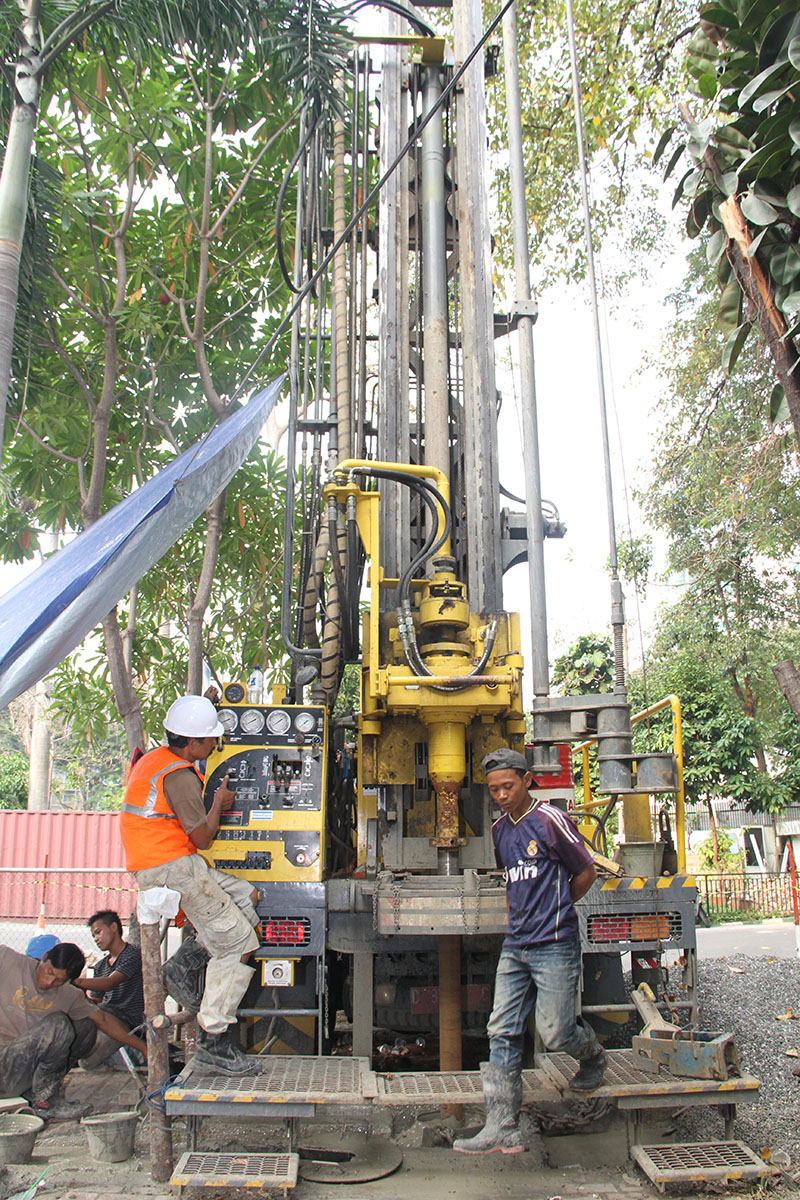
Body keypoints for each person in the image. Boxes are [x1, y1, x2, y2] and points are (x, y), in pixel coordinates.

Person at [454, 747, 606, 1156]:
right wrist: (519, 921)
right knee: (501, 1030)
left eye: (507, 786)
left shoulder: (550, 820)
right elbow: (511, 882)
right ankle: (502, 1126)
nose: (501, 795)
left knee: (556, 1032)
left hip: (554, 944)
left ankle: (593, 1057)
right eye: (494, 790)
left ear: (526, 781)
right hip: (516, 945)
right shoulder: (500, 830)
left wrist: (556, 910)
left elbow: (586, 871)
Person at [119, 694, 261, 1075]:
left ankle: (184, 965)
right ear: (192, 743)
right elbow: (202, 837)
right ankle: (214, 1040)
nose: (215, 744)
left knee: (248, 896)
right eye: (210, 738)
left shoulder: (156, 758)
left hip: (172, 864)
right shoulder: (179, 775)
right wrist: (220, 803)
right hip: (172, 868)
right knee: (239, 944)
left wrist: (208, 703)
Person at [0, 942, 147, 1120]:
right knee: (59, 1024)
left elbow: (104, 1020)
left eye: (59, 981)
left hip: (22, 1071)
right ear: (44, 958)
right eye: (49, 972)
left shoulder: (69, 995)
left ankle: (40, 1098)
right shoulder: (8, 960)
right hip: (4, 1064)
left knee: (85, 1027)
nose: (49, 982)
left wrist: (144, 1048)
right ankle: (45, 1103)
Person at [72, 911, 145, 1069]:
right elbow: (96, 1001)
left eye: (98, 933)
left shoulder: (132, 955)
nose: (96, 939)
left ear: (113, 927)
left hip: (129, 1021)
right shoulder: (100, 966)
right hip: (107, 1017)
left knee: (87, 1062)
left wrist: (76, 981)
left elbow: (110, 983)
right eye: (93, 936)